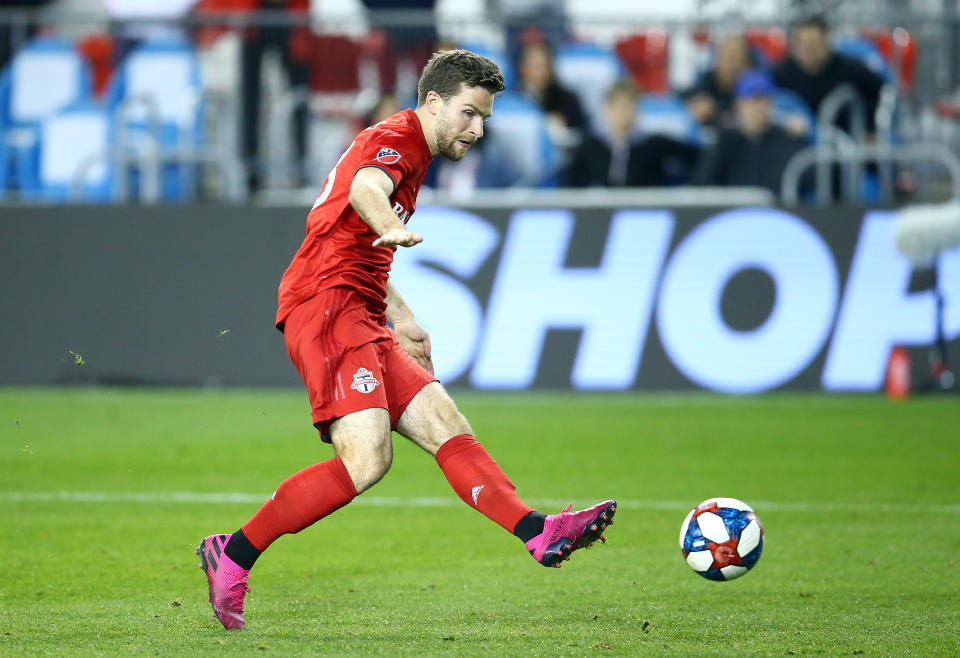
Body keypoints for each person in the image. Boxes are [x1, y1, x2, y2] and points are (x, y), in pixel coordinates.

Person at [196, 49, 617, 631]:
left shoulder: (414, 150)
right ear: (434, 101)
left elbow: (349, 236)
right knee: (368, 458)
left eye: (486, 119)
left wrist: (403, 315)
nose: (477, 128)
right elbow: (368, 189)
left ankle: (537, 531)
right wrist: (390, 223)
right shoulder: (397, 139)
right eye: (469, 113)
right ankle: (233, 554)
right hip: (325, 305)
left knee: (446, 422)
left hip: (362, 306)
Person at [562, 79, 700, 187]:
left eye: (629, 107)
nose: (624, 114)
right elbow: (571, 183)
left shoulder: (654, 145)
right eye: (618, 107)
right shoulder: (590, 148)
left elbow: (698, 156)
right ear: (606, 110)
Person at [694, 69, 810, 197]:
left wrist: (804, 138)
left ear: (771, 103)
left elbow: (812, 178)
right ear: (738, 104)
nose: (758, 108)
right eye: (751, 100)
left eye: (763, 100)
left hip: (776, 212)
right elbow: (702, 181)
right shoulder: (726, 140)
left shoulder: (787, 139)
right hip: (735, 212)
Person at [772, 15, 885, 137]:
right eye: (804, 44)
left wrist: (870, 130)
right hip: (798, 144)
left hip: (846, 143)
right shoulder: (780, 75)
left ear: (826, 43)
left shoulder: (851, 69)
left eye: (815, 44)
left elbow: (881, 93)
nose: (810, 50)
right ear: (794, 47)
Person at [683, 34, 754, 131]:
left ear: (746, 61)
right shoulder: (710, 77)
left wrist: (714, 107)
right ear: (719, 58)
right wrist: (698, 102)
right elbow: (689, 93)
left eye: (737, 57)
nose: (732, 63)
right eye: (728, 56)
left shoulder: (752, 82)